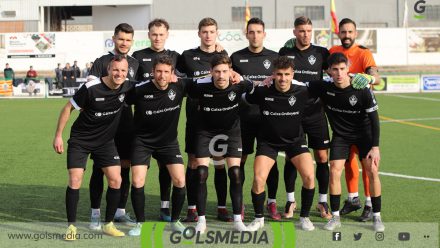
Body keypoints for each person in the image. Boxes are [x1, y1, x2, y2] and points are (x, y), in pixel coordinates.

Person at [53, 55, 132, 240]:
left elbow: (151, 83)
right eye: (115, 70)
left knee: (116, 180)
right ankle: (71, 227)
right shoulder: (91, 88)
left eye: (123, 70)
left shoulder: (128, 86)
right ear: (108, 70)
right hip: (81, 140)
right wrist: (58, 136)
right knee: (75, 180)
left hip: (105, 142)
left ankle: (109, 224)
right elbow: (67, 109)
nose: (119, 74)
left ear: (127, 72)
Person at [305, 52, 383, 232]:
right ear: (329, 72)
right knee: (334, 171)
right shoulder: (324, 86)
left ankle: (377, 217)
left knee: (372, 170)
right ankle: (335, 217)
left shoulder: (361, 88)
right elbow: (299, 84)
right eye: (335, 70)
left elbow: (374, 119)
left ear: (348, 69)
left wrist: (375, 146)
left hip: (365, 135)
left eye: (342, 69)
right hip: (341, 136)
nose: (339, 73)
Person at [244, 56, 316, 231]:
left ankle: (304, 218)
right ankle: (259, 218)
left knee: (309, 177)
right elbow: (244, 92)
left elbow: (329, 84)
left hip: (295, 141)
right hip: (268, 142)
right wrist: (260, 83)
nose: (283, 79)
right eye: (279, 74)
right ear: (273, 74)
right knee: (259, 179)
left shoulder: (303, 90)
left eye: (286, 74)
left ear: (292, 75)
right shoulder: (263, 91)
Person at [187, 54, 250, 233]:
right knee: (201, 173)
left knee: (236, 173)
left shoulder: (240, 85)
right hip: (205, 131)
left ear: (231, 71)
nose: (221, 76)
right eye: (217, 72)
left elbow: (258, 85)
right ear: (210, 72)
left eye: (224, 71)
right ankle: (201, 220)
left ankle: (238, 220)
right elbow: (182, 83)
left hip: (231, 132)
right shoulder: (200, 85)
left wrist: (242, 77)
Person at [176, 17, 232, 223]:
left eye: (212, 31)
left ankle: (222, 207)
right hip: (196, 121)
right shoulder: (187, 56)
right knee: (194, 164)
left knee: (219, 163)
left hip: (219, 120)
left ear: (217, 33)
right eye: (204, 31)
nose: (208, 35)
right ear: (199, 33)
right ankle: (192, 208)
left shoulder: (224, 56)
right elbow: (179, 82)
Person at [125, 55, 188, 236]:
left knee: (180, 180)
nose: (162, 76)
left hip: (168, 143)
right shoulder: (139, 89)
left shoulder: (180, 85)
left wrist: (234, 76)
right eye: (158, 71)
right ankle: (140, 223)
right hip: (142, 142)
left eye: (166, 72)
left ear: (172, 74)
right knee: (137, 181)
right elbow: (120, 99)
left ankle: (175, 220)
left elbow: (206, 81)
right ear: (152, 72)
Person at [278, 16, 331, 219]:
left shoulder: (321, 53)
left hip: (316, 113)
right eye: (301, 30)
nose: (305, 34)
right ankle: (291, 200)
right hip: (293, 114)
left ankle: (323, 202)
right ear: (294, 32)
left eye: (309, 30)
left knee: (322, 157)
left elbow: (336, 72)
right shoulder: (287, 53)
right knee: (292, 158)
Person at [88, 23, 139, 230]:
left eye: (128, 40)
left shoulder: (135, 63)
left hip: (126, 124)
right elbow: (90, 89)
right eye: (121, 39)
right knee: (100, 168)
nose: (124, 43)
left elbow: (141, 90)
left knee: (125, 167)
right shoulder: (101, 61)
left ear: (132, 41)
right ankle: (95, 214)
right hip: (103, 125)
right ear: (114, 39)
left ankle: (120, 212)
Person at [329, 18, 380, 222]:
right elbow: (317, 65)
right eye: (343, 32)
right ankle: (353, 199)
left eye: (350, 32)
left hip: (362, 115)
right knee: (347, 161)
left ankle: (369, 203)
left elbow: (376, 77)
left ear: (355, 33)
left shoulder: (363, 53)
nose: (347, 35)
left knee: (366, 162)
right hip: (342, 117)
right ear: (338, 33)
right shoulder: (332, 51)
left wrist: (368, 78)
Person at [230, 17, 280, 220]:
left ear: (264, 34)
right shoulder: (236, 57)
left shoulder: (275, 57)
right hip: (242, 119)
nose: (255, 35)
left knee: (271, 162)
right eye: (251, 32)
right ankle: (239, 204)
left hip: (269, 119)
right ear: (247, 34)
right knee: (240, 162)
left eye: (259, 32)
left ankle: (272, 203)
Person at [132, 18, 180, 222]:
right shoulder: (137, 56)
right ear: (149, 35)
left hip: (166, 129)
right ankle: (127, 214)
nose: (158, 37)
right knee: (136, 177)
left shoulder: (176, 57)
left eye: (161, 34)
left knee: (167, 171)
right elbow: (129, 84)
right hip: (143, 127)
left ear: (167, 35)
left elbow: (193, 78)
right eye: (154, 34)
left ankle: (165, 207)